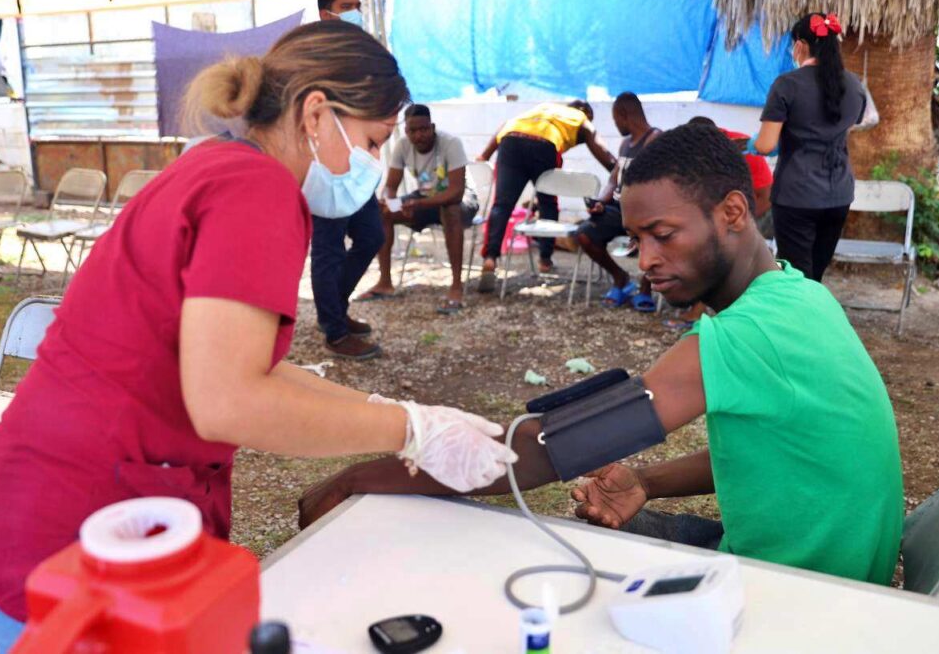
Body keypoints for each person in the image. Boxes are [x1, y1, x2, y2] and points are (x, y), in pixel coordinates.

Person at [0, 22, 517, 653]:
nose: (374, 163)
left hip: (48, 514)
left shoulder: (219, 167)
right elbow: (229, 401)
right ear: (317, 112)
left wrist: (388, 411)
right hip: (72, 539)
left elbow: (249, 371)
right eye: (373, 140)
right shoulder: (258, 190)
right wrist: (411, 432)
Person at [299, 123, 904, 588]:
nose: (645, 261)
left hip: (800, 595)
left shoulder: (747, 336)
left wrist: (361, 480)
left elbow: (543, 452)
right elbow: (776, 453)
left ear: (733, 213)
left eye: (663, 235)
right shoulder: (799, 296)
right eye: (636, 240)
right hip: (832, 570)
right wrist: (644, 481)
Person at [748, 12, 866, 282]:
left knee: (795, 277)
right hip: (839, 195)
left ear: (800, 44)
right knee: (815, 275)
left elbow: (766, 145)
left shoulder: (787, 85)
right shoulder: (854, 85)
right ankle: (812, 320)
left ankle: (798, 323)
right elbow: (842, 131)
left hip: (796, 195)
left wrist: (752, 143)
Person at [310, 0, 384, 359]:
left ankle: (333, 310)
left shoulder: (358, 56)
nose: (355, 13)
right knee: (329, 248)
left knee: (372, 235)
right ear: (326, 15)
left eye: (358, 6)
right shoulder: (313, 59)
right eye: (346, 7)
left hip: (356, 164)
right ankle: (336, 333)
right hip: (325, 166)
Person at [475, 100, 616, 291]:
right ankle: (545, 260)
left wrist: (484, 155)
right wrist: (617, 171)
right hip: (544, 144)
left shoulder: (541, 108)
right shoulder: (580, 117)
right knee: (548, 202)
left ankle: (490, 258)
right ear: (586, 113)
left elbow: (506, 125)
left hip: (510, 141)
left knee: (501, 205)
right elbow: (601, 148)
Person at [357, 104, 477, 314]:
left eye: (424, 129)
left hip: (461, 200)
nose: (419, 135)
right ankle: (385, 282)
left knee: (450, 210)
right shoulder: (403, 146)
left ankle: (456, 287)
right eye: (413, 131)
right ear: (406, 132)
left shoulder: (451, 143)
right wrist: (389, 202)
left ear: (432, 127)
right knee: (381, 212)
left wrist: (418, 204)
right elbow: (391, 186)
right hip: (424, 198)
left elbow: (456, 192)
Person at [667, 116, 775, 330]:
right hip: (726, 213)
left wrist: (739, 226)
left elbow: (765, 197)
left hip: (761, 212)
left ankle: (704, 311)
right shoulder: (691, 152)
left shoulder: (744, 149)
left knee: (716, 244)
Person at [576, 93, 660, 311]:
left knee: (655, 238)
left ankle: (645, 289)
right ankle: (620, 278)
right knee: (584, 234)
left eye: (615, 120)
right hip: (619, 209)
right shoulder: (625, 145)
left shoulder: (655, 140)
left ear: (624, 115)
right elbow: (614, 179)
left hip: (645, 212)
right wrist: (601, 202)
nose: (616, 125)